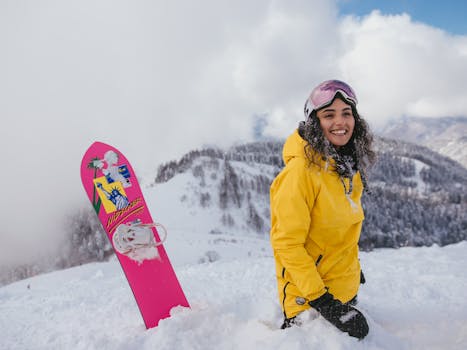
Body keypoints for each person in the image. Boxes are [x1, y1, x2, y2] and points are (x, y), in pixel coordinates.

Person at [269, 79, 376, 340]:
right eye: (329, 115)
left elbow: (340, 228)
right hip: (310, 305)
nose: (340, 122)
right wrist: (323, 302)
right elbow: (287, 245)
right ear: (315, 122)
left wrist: (351, 267)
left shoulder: (345, 165)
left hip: (343, 294)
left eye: (346, 113)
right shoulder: (300, 173)